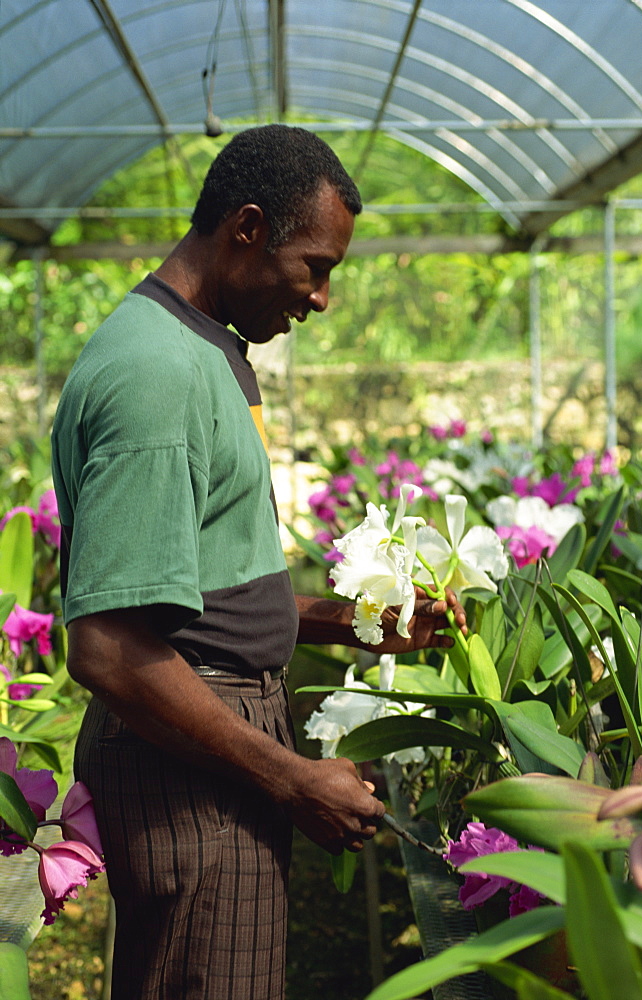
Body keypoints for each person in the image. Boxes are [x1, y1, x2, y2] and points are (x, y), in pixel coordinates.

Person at [51, 124, 467, 1000]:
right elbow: (110, 647)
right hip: (189, 767)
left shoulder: (207, 347)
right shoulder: (156, 373)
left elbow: (199, 584)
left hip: (210, 739)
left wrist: (353, 623)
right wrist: (290, 778)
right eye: (315, 267)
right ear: (245, 228)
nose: (321, 299)